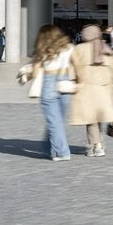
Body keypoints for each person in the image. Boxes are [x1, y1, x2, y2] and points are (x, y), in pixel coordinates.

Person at [19, 25, 77, 161]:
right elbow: (77, 64)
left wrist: (28, 72)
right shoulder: (69, 48)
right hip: (65, 83)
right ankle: (48, 148)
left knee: (54, 121)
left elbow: (35, 73)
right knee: (57, 120)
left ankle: (63, 152)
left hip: (49, 83)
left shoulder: (42, 50)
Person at [66, 25, 113, 157]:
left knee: (91, 118)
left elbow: (73, 67)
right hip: (105, 87)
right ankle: (99, 143)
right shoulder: (105, 47)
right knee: (101, 116)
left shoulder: (79, 49)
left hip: (87, 87)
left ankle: (96, 145)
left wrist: (73, 81)